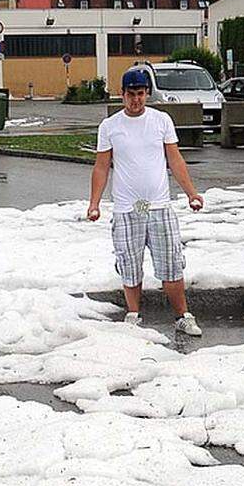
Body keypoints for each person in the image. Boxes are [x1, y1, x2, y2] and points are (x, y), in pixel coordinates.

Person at [87, 67, 204, 336]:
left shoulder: (161, 121)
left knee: (171, 262)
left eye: (141, 94)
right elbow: (102, 166)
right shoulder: (110, 126)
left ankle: (182, 315)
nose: (136, 99)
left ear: (147, 93)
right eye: (131, 94)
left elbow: (174, 159)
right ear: (122, 95)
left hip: (159, 207)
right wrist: (94, 203)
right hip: (128, 208)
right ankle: (133, 315)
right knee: (129, 262)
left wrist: (191, 193)